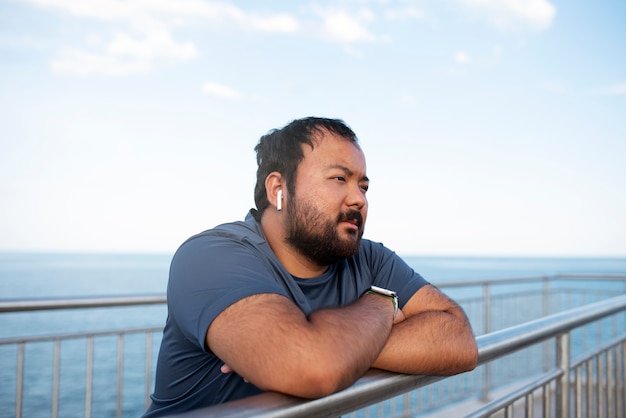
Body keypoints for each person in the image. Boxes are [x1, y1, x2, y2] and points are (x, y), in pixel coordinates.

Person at [143, 117, 478, 417]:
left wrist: (340, 347)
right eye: (338, 178)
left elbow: (460, 340)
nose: (358, 198)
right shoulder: (212, 255)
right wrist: (381, 305)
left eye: (363, 185)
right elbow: (312, 366)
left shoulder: (369, 258)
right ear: (278, 189)